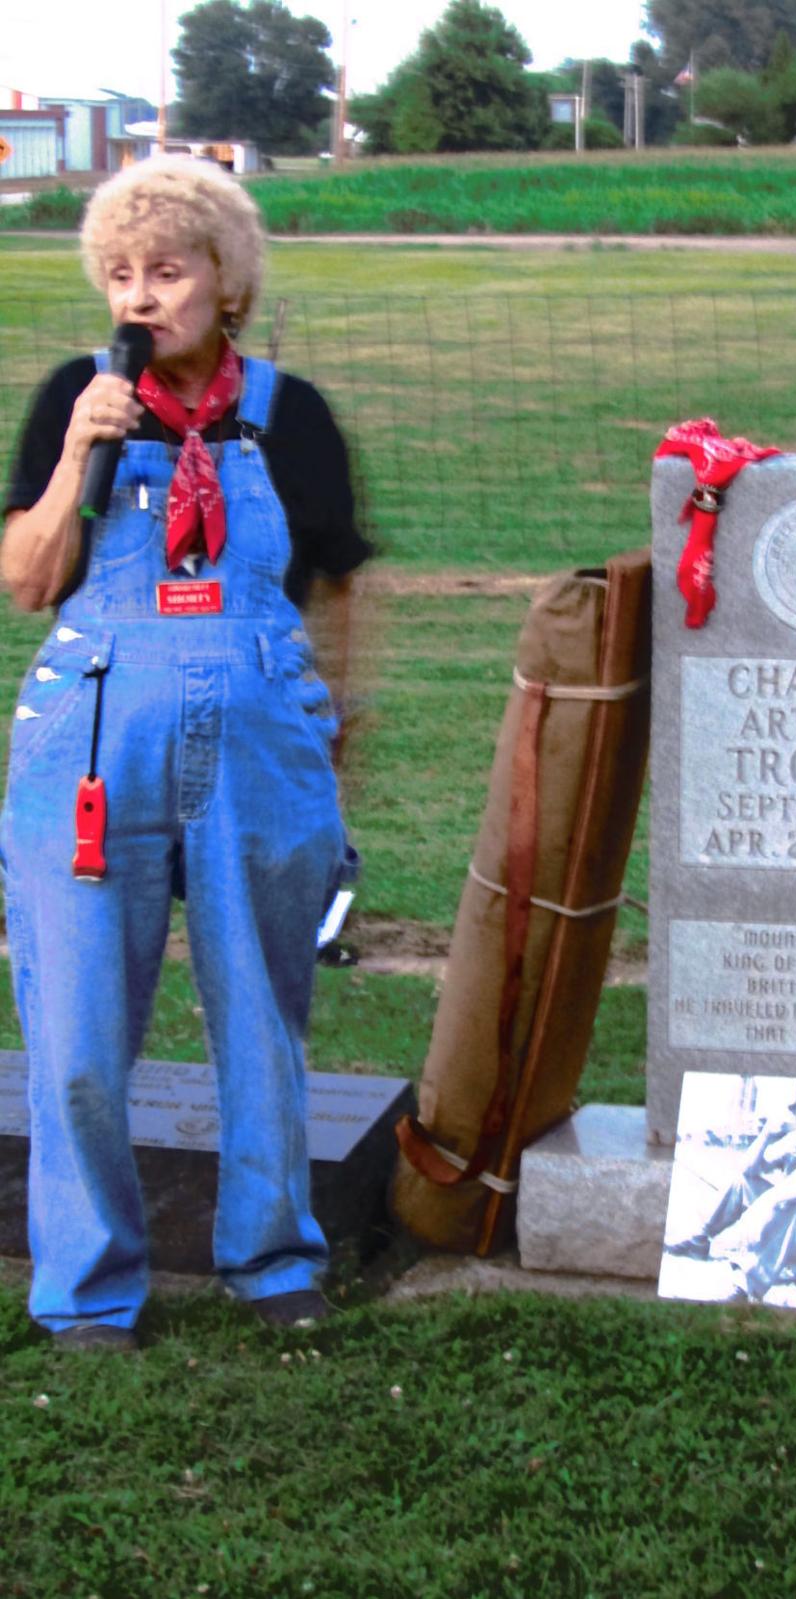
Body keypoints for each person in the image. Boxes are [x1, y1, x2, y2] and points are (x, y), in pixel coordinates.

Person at [1, 157, 371, 1351]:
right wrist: (74, 456)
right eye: (121, 273)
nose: (142, 295)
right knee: (75, 1026)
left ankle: (271, 1255)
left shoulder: (290, 412)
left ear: (229, 280)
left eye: (168, 269)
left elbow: (336, 587)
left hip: (259, 743)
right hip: (94, 742)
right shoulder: (78, 394)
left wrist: (328, 734)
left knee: (263, 1009)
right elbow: (26, 580)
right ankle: (88, 1284)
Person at [667, 1079, 796, 1305]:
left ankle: (748, 1285)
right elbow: (747, 1170)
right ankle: (699, 1240)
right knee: (743, 1184)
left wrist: (760, 1211)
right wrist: (767, 1135)